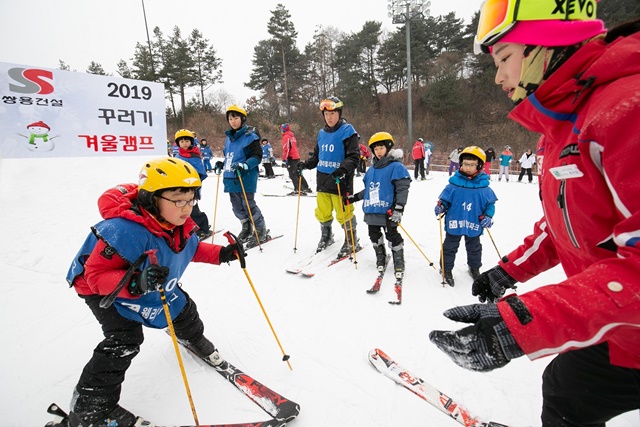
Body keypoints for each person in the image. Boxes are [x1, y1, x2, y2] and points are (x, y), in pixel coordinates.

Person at [429, 3, 640, 425]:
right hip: (623, 322)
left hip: (625, 313)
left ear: (550, 43)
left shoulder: (626, 107)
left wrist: (523, 321)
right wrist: (509, 272)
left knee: (568, 388)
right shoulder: (563, 126)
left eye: (505, 57)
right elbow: (564, 224)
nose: (498, 76)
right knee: (567, 389)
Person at [64, 157, 242, 427]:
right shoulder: (123, 230)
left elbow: (189, 248)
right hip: (103, 289)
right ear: (152, 199)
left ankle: (192, 338)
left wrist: (222, 253)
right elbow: (96, 275)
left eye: (191, 199)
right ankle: (92, 409)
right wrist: (135, 283)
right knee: (124, 340)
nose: (187, 208)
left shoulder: (178, 224)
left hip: (149, 278)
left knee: (182, 308)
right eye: (177, 200)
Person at [346, 132, 411, 301]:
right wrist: (355, 198)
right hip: (372, 210)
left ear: (388, 148)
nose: (378, 151)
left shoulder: (396, 167)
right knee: (374, 236)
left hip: (389, 211)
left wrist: (399, 208)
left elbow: (403, 189)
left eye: (381, 147)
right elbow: (369, 190)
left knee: (392, 235)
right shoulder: (372, 169)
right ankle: (380, 258)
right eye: (375, 148)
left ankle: (399, 261)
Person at [297, 96, 361, 256]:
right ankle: (326, 235)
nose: (329, 117)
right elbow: (317, 157)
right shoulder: (322, 133)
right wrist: (306, 164)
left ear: (339, 113)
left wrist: (343, 169)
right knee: (322, 211)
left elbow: (354, 157)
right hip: (323, 181)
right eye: (326, 114)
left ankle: (351, 239)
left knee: (343, 212)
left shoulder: (348, 131)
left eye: (332, 113)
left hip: (341, 180)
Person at [434, 146, 497, 286]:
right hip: (455, 221)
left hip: (473, 222)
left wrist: (488, 215)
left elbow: (490, 205)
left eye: (472, 165)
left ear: (479, 166)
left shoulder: (484, 187)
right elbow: (444, 200)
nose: (468, 168)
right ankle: (446, 269)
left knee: (474, 247)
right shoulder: (453, 184)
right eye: (465, 164)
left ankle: (474, 268)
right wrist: (441, 206)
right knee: (449, 247)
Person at [215, 105, 270, 248]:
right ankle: (246, 227)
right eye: (230, 118)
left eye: (236, 118)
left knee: (248, 204)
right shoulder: (228, 138)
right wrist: (223, 164)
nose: (233, 121)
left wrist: (246, 165)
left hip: (244, 176)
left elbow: (257, 156)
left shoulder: (250, 137)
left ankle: (260, 229)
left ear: (242, 119)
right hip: (231, 177)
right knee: (237, 206)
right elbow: (229, 156)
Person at [175, 129, 212, 240]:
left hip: (192, 188)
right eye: (182, 141)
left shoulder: (194, 155)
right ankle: (188, 228)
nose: (184, 143)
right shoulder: (177, 155)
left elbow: (200, 172)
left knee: (193, 209)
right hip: (180, 188)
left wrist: (193, 184)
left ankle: (203, 229)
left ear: (191, 141)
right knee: (184, 209)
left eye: (187, 141)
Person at [280, 123, 311, 194]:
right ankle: (305, 187)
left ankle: (298, 189)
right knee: (298, 173)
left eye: (281, 129)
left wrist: (284, 159)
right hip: (296, 157)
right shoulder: (292, 136)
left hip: (291, 158)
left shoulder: (286, 137)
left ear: (283, 130)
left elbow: (286, 149)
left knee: (292, 174)